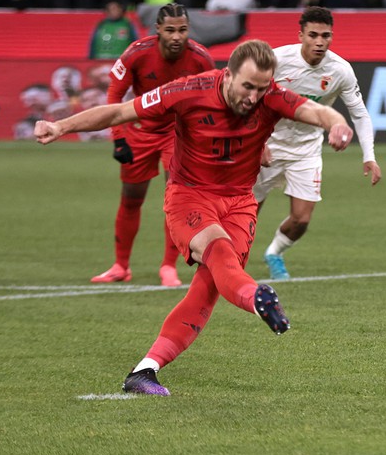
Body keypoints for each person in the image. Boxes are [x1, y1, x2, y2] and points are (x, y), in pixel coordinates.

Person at [33, 39, 354, 396]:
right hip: (190, 196)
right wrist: (61, 127)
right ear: (228, 75)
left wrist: (337, 125)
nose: (253, 97)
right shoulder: (187, 90)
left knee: (208, 289)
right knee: (218, 254)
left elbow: (319, 112)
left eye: (262, 88)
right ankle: (258, 297)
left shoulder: (272, 96)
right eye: (247, 86)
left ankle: (144, 371)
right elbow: (119, 113)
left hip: (240, 203)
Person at [92, 3, 215, 287]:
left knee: (176, 199)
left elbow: (211, 99)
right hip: (140, 131)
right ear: (158, 29)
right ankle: (121, 266)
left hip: (178, 134)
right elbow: (115, 94)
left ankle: (168, 267)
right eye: (170, 30)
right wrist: (118, 138)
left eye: (182, 30)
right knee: (132, 197)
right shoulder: (137, 53)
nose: (176, 36)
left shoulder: (200, 59)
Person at [254, 7, 381, 280]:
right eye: (313, 35)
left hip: (306, 149)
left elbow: (359, 113)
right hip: (267, 146)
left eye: (326, 35)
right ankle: (227, 265)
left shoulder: (340, 70)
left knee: (301, 220)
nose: (320, 42)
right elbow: (249, 99)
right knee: (246, 214)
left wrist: (369, 156)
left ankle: (274, 253)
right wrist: (256, 141)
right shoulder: (276, 60)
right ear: (300, 35)